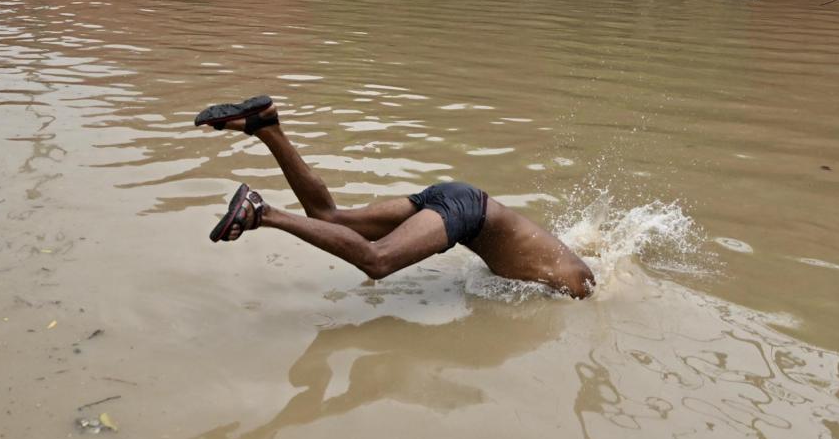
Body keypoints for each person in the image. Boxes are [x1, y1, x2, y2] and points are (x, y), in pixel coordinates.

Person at [196, 96, 595, 298]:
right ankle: (263, 213)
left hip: (460, 197)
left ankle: (265, 126)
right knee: (378, 261)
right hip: (467, 211)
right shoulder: (582, 285)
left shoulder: (563, 259)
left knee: (327, 215)